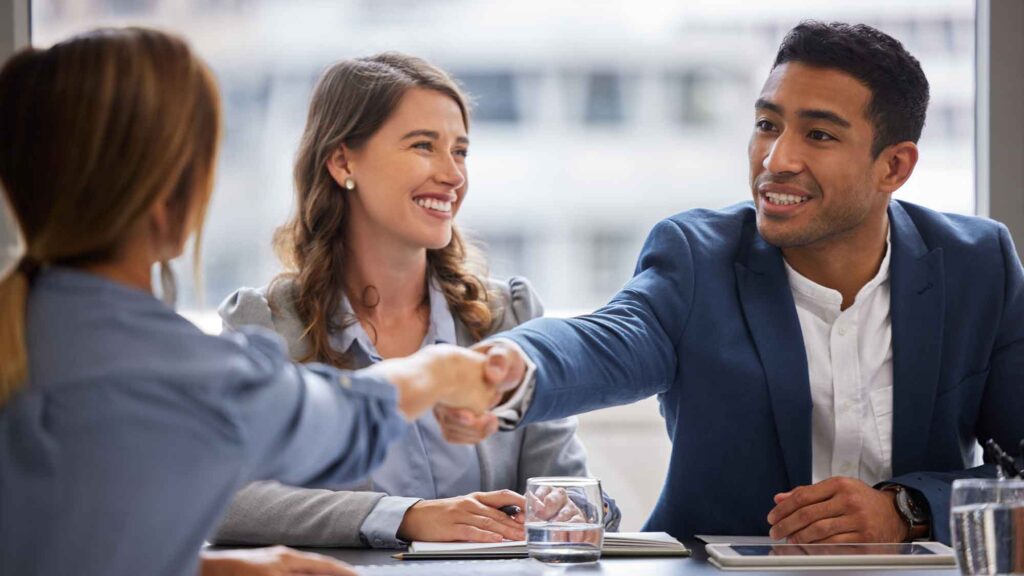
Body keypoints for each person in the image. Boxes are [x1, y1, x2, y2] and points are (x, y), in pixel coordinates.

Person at [440, 21, 1024, 545]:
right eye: (768, 124)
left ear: (893, 166)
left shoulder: (978, 265)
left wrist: (906, 510)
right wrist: (506, 371)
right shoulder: (698, 257)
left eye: (818, 135)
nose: (776, 160)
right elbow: (607, 340)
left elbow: (1017, 469)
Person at [0, 28, 510, 576]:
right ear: (167, 193)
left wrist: (208, 570)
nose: (452, 172)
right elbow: (344, 418)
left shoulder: (38, 330)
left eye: (460, 150)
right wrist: (437, 371)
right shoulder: (181, 369)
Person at [210, 53, 620, 550]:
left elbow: (565, 484)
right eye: (424, 146)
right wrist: (405, 517)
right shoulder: (267, 325)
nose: (453, 175)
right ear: (342, 162)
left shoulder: (508, 316)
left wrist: (572, 506)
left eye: (461, 151)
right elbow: (226, 501)